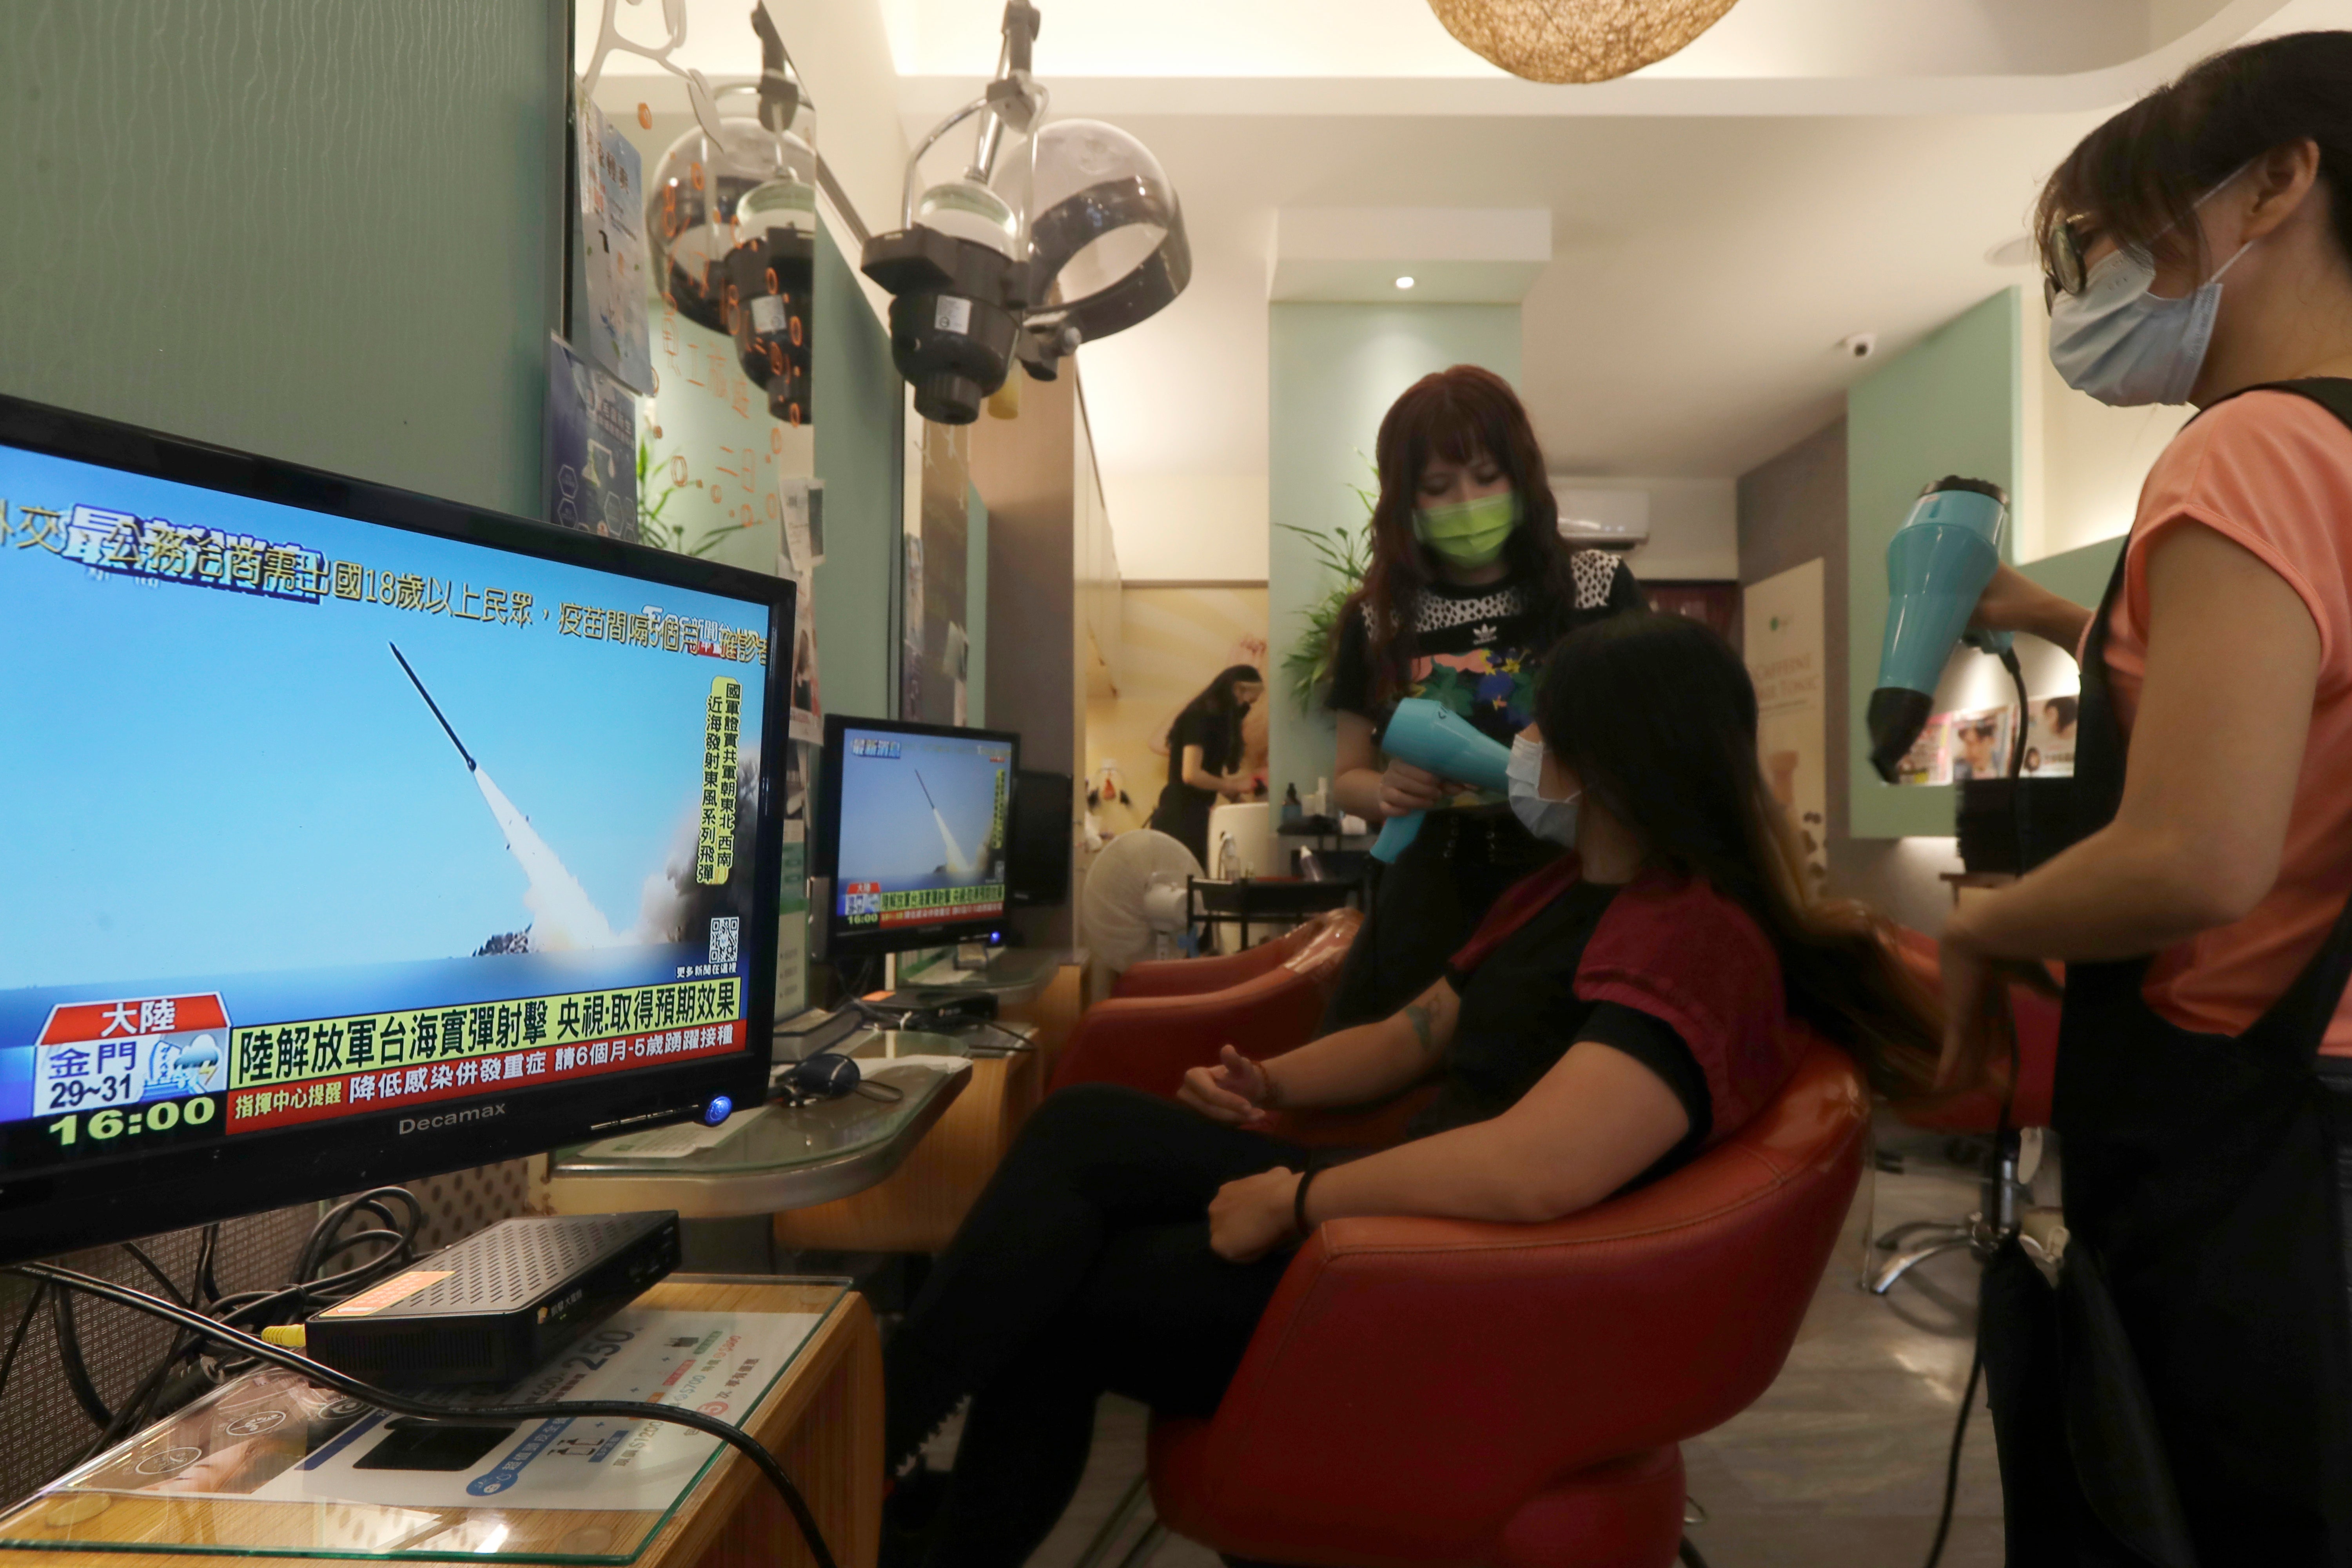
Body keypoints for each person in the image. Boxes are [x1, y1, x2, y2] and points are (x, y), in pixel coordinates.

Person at [879, 613, 1938, 1567]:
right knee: (1085, 1128)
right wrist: (1269, 1081)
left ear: (1605, 760)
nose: (1525, 753)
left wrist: (1296, 1203)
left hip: (1457, 1281)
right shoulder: (1569, 892)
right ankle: (879, 1455)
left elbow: (1541, 1168)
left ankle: (871, 1459)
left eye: (1542, 734)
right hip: (1409, 1207)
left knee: (1065, 1293)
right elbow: (1410, 1035)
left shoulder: (1694, 937)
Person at [1937, 33, 2352, 1562]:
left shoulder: (2246, 454)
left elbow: (2199, 852)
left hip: (2254, 1155)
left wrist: (1992, 924)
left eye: (2116, 231)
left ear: (2280, 181)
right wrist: (2065, 624)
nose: (2092, 283)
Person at [1322, 364, 1644, 1029]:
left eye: (1487, 477)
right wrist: (1385, 792)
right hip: (1427, 893)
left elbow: (1647, 746)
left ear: (1521, 476)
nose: (1466, 502)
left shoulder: (1598, 589)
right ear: (1404, 501)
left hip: (1571, 881)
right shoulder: (1375, 620)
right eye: (1438, 487)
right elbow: (1347, 775)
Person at [1145, 663, 1264, 866]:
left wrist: (1238, 800)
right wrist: (1233, 786)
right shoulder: (1200, 717)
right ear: (1237, 689)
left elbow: (1208, 772)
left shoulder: (1214, 721)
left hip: (1192, 814)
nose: (1247, 708)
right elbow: (1191, 775)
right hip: (1180, 816)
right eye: (1248, 701)